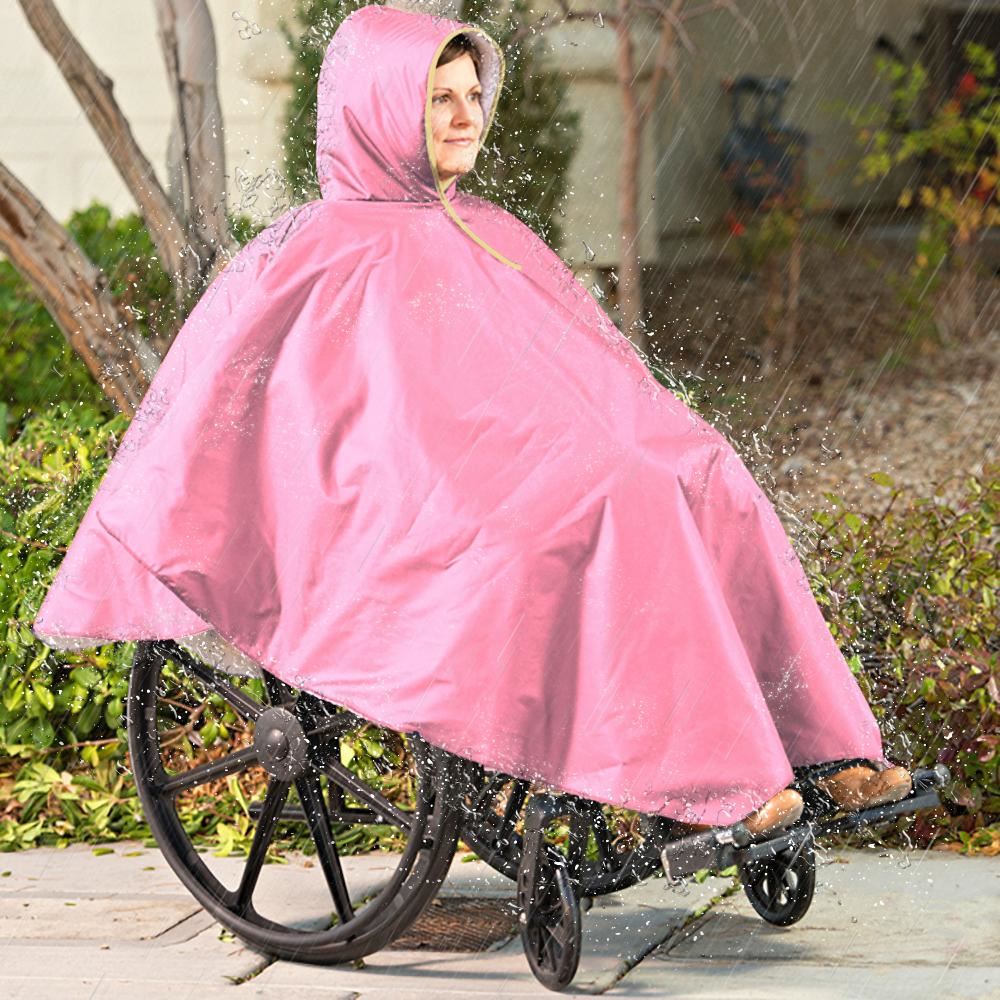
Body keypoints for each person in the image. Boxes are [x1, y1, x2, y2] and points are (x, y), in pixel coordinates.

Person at [32, 5, 911, 841]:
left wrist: (621, 443)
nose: (466, 118)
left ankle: (821, 747)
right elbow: (345, 430)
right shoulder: (323, 252)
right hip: (432, 506)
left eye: (472, 95)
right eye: (439, 100)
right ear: (382, 112)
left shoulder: (481, 228)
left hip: (533, 464)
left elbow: (581, 377)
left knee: (710, 473)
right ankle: (715, 781)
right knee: (632, 500)